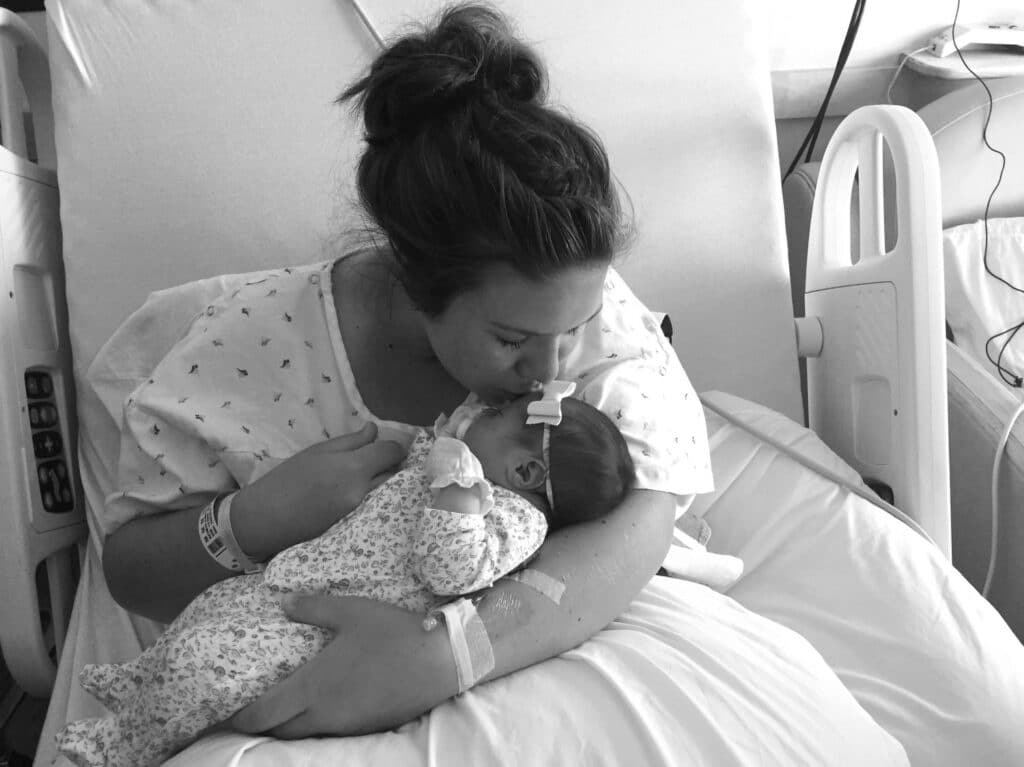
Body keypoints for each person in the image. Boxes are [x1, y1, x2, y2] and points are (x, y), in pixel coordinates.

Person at [98, 1, 713, 742]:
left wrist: (449, 652)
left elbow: (649, 510)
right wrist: (248, 521)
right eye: (512, 337)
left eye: (572, 330)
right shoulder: (249, 348)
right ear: (416, 281)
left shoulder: (581, 302)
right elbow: (130, 573)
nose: (551, 369)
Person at [57, 389, 635, 767]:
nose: (480, 413)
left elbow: (451, 567)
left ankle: (117, 749)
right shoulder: (458, 465)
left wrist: (458, 485)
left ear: (526, 470)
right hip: (294, 580)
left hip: (325, 631)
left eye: (497, 418)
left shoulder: (512, 515)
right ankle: (139, 687)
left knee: (207, 670)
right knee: (204, 618)